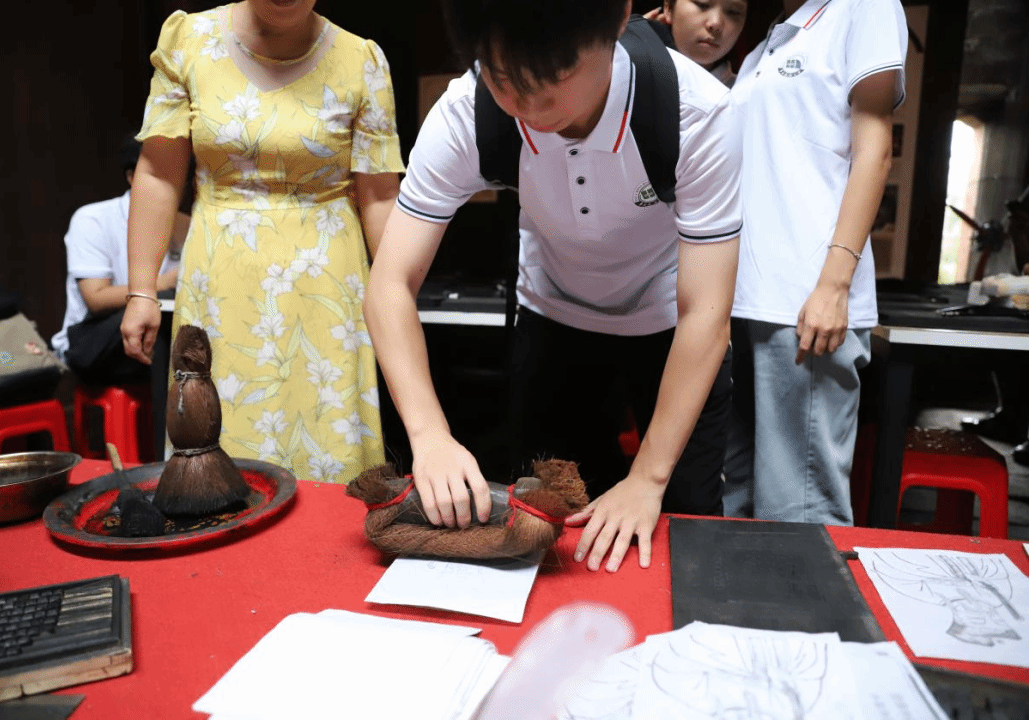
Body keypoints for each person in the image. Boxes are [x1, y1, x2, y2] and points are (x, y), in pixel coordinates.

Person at [364, 0, 741, 573]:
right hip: (553, 317)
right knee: (545, 537)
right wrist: (429, 435)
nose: (529, 107)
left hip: (671, 326)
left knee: (680, 540)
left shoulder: (697, 113)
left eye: (554, 78)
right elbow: (389, 283)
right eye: (504, 80)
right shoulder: (468, 112)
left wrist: (647, 479)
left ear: (618, 17)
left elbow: (706, 312)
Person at [121, 0, 402, 483]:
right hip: (221, 283)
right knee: (216, 445)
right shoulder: (189, 41)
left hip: (328, 288)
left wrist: (397, 298)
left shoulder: (361, 61)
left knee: (329, 443)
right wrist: (141, 289)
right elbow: (158, 173)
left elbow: (379, 195)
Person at [723, 0, 908, 524]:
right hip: (745, 301)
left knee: (799, 512)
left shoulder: (864, 8)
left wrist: (834, 286)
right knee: (735, 504)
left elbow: (874, 151)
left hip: (805, 302)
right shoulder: (771, 40)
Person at [52, 137, 187, 386]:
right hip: (91, 339)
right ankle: (165, 413)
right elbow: (96, 299)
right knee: (162, 316)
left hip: (156, 338)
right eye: (160, 174)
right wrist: (165, 282)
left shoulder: (185, 223)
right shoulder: (93, 219)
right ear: (132, 177)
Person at [644, 0, 748, 86]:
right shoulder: (637, 71)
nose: (715, 23)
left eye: (733, 12)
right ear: (669, 8)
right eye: (702, 4)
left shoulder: (744, 98)